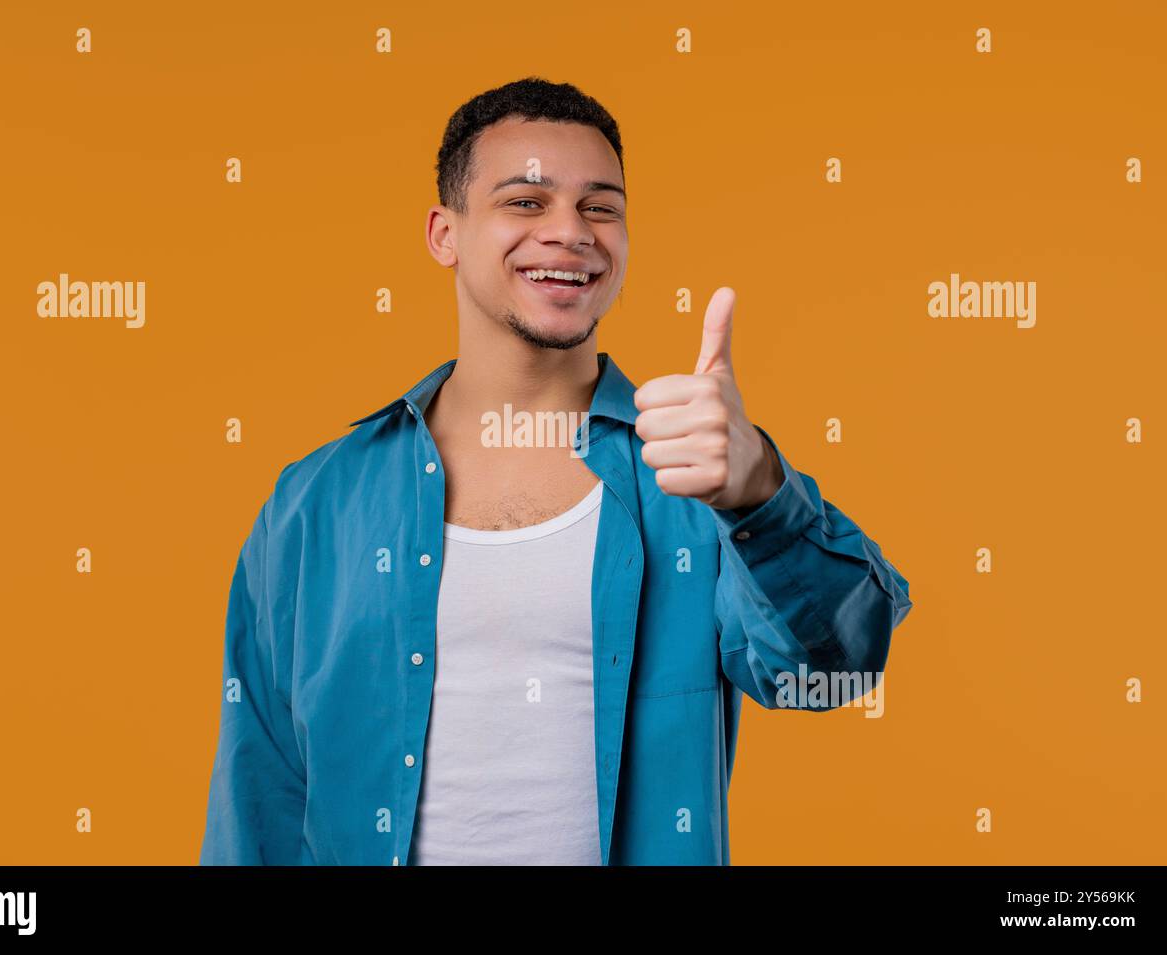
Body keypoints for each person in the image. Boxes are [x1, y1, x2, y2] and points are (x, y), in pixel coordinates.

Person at [199, 76, 913, 866]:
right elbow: (258, 792)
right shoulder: (315, 504)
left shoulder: (696, 482)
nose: (571, 231)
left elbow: (837, 673)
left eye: (600, 206)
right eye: (527, 202)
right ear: (444, 233)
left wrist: (760, 495)